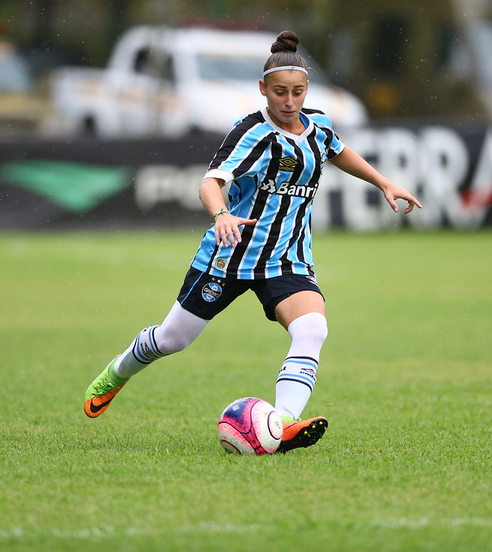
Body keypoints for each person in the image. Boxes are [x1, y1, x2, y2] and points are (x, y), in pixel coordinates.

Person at [84, 30, 422, 453]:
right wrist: (221, 214)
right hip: (230, 256)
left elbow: (337, 150)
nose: (289, 101)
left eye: (297, 92)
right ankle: (117, 372)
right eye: (280, 92)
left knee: (312, 328)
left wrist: (383, 182)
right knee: (172, 339)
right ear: (263, 88)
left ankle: (283, 423)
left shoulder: (318, 126)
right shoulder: (252, 132)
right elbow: (210, 183)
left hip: (286, 258)